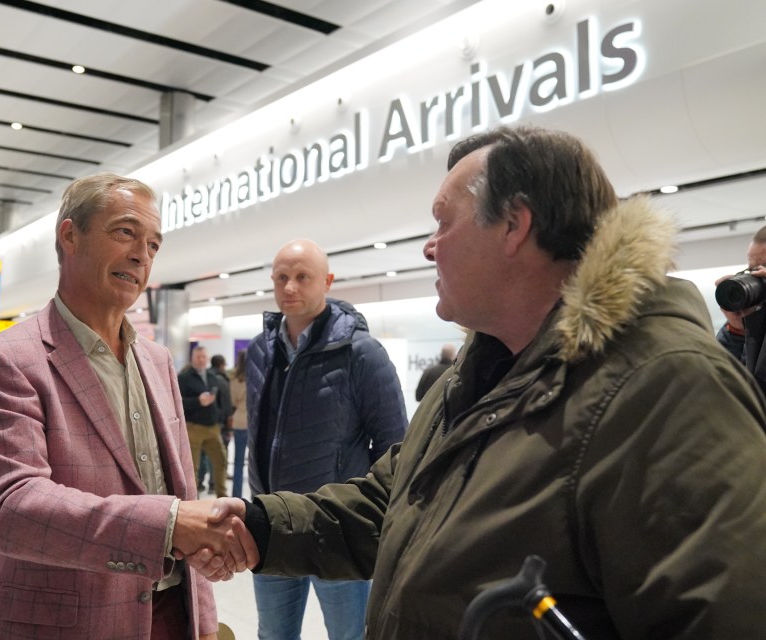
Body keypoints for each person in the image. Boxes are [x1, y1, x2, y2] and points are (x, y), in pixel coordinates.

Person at [202, 126, 766, 638]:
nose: (430, 245)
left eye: (444, 221)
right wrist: (258, 525)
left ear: (514, 226)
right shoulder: (474, 381)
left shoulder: (668, 389)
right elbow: (388, 506)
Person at [0, 173, 254, 640]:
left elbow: (181, 494)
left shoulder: (157, 362)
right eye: (125, 232)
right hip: (71, 623)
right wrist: (171, 525)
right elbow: (12, 508)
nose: (142, 254)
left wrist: (200, 609)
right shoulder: (6, 360)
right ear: (70, 235)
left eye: (154, 245)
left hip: (171, 615)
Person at [245, 238, 408, 640]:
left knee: (349, 635)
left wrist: (369, 521)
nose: (290, 288)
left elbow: (394, 448)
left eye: (303, 277)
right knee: (273, 635)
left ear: (327, 282)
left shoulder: (362, 353)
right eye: (281, 278)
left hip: (337, 529)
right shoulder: (259, 351)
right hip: (272, 524)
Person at [715, 225, 766, 393]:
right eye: (752, 270)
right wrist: (737, 329)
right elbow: (724, 387)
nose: (758, 276)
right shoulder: (754, 320)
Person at [178, 346, 229, 499]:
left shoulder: (213, 377)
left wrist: (220, 417)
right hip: (193, 427)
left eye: (203, 357)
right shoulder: (184, 378)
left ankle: (222, 496)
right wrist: (198, 401)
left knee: (221, 461)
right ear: (192, 358)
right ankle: (193, 499)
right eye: (198, 357)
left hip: (212, 427)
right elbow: (178, 402)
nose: (201, 360)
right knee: (192, 467)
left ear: (207, 359)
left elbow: (220, 401)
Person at [227, 350, 248, 498]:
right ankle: (259, 497)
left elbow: (233, 401)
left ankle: (236, 496)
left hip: (240, 420)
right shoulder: (261, 374)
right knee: (257, 463)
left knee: (238, 462)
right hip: (257, 423)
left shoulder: (235, 378)